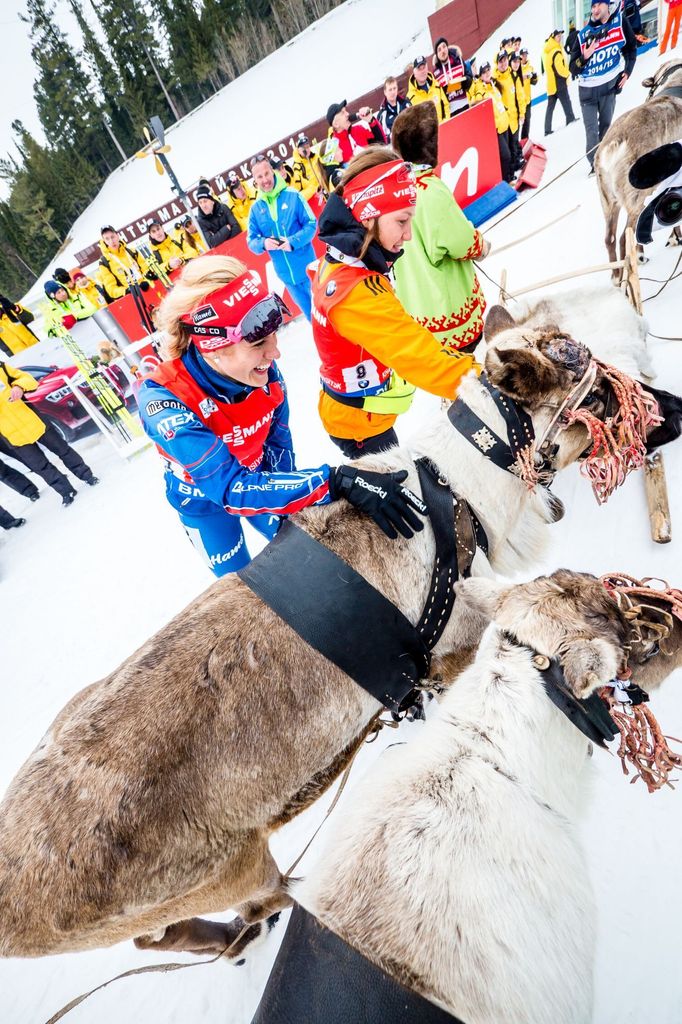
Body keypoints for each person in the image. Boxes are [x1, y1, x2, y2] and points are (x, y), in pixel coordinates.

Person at [138, 255, 425, 576]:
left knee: (313, 560)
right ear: (213, 346)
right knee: (240, 581)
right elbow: (230, 488)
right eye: (259, 341)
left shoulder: (263, 371)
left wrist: (302, 504)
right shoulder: (161, 398)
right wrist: (333, 480)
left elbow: (279, 454)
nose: (275, 353)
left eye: (275, 336)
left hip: (258, 475)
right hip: (203, 502)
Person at [309, 149, 477, 458]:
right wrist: (492, 381)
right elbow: (421, 358)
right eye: (402, 220)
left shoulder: (344, 258)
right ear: (368, 214)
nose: (409, 235)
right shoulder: (354, 292)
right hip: (361, 425)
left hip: (357, 413)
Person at [391, 103, 489, 356]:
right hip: (447, 310)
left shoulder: (395, 190)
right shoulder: (431, 190)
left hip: (419, 313)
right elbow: (461, 243)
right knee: (466, 373)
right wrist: (481, 244)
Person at [0, 361, 99, 506]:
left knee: (63, 450)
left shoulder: (2, 368)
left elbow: (29, 380)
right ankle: (66, 492)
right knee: (41, 466)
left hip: (34, 422)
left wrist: (19, 386)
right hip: (13, 436)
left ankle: (87, 476)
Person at [569, 1, 637, 172]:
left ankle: (605, 161)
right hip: (588, 93)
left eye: (599, 4)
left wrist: (627, 71)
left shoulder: (619, 22)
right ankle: (595, 165)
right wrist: (584, 57)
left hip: (608, 88)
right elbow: (573, 68)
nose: (595, 9)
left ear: (607, 5)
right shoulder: (583, 35)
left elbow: (630, 49)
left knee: (606, 127)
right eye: (592, 6)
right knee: (592, 133)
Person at [247, 154, 317, 321]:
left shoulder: (293, 195)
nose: (265, 180)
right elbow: (251, 241)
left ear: (273, 172)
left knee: (325, 314)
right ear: (255, 181)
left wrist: (292, 242)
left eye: (267, 173)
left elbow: (311, 225)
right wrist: (263, 243)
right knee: (312, 320)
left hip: (309, 271)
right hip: (287, 277)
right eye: (260, 176)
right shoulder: (255, 209)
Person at [468, 62, 515, 183]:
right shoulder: (481, 89)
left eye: (488, 70)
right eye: (484, 72)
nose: (487, 73)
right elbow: (474, 102)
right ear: (480, 76)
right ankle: (504, 181)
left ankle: (509, 177)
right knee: (505, 156)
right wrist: (477, 84)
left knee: (508, 153)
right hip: (496, 128)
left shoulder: (494, 85)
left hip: (504, 123)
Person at [98, 225, 156, 300]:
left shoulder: (132, 251)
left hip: (147, 289)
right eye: (107, 239)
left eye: (112, 237)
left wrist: (147, 279)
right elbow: (111, 289)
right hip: (132, 299)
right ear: (104, 241)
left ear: (117, 236)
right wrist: (127, 290)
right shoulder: (104, 262)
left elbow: (145, 269)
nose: (111, 241)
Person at [326, 100, 384, 166]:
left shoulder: (358, 129)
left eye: (346, 111)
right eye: (342, 113)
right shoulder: (334, 147)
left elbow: (382, 144)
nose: (347, 114)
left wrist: (371, 121)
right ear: (336, 124)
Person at [543, 29, 578, 136]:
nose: (560, 38)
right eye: (558, 37)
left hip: (551, 83)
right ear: (553, 38)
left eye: (560, 36)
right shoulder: (556, 51)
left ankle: (547, 129)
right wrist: (568, 73)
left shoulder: (548, 51)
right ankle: (570, 118)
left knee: (550, 108)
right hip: (559, 82)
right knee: (566, 101)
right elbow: (559, 68)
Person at [493, 50, 524, 169]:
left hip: (514, 117)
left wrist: (522, 113)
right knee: (507, 148)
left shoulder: (513, 76)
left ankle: (516, 164)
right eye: (500, 61)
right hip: (503, 121)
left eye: (505, 60)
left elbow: (520, 97)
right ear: (497, 63)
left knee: (514, 143)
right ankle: (511, 169)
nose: (503, 63)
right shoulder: (494, 80)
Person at [432, 37, 473, 117]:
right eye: (439, 50)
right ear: (437, 54)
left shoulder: (459, 61)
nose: (442, 51)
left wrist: (466, 80)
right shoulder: (435, 73)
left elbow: (469, 77)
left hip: (466, 105)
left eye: (444, 47)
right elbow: (437, 94)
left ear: (447, 48)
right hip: (450, 113)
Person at [406, 56, 450, 123]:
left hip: (443, 128)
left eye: (424, 68)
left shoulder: (436, 86)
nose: (422, 71)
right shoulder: (410, 98)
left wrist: (446, 122)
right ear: (414, 73)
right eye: (419, 69)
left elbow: (446, 105)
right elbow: (412, 123)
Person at [290, 134, 325, 202]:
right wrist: (314, 190)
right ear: (298, 150)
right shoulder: (297, 166)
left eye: (307, 146)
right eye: (303, 148)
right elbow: (299, 184)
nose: (307, 149)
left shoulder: (315, 157)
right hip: (313, 196)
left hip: (324, 190)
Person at [376, 77, 411, 141]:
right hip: (394, 147)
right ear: (385, 92)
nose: (393, 92)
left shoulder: (406, 104)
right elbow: (381, 139)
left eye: (394, 88)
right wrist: (391, 137)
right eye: (390, 90)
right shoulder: (382, 115)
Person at [509, 52, 528, 142]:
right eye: (514, 61)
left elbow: (520, 97)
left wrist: (521, 114)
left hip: (516, 113)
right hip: (509, 115)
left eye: (518, 62)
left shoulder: (516, 76)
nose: (517, 64)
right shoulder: (510, 76)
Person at [519, 47, 538, 138]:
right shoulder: (518, 68)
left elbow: (534, 82)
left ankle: (525, 139)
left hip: (528, 98)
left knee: (527, 121)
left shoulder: (530, 67)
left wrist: (534, 77)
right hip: (520, 99)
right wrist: (525, 76)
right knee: (519, 122)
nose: (525, 57)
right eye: (523, 55)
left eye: (526, 55)